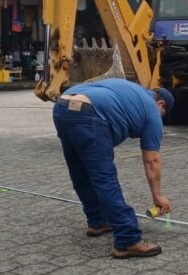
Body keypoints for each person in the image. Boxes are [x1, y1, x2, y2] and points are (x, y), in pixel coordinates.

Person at [53, 79, 174, 259]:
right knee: (105, 178)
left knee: (80, 172)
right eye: (164, 114)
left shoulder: (132, 90)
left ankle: (98, 221)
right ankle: (128, 240)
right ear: (161, 104)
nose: (160, 119)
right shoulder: (152, 111)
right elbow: (152, 160)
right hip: (88, 113)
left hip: (61, 107)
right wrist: (157, 195)